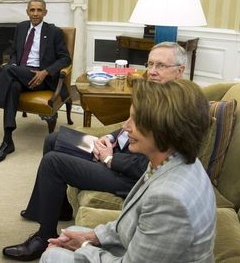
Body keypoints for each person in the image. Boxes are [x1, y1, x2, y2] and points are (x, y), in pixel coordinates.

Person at [2, 42, 187, 261]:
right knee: (54, 139)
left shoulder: (179, 107)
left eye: (161, 65)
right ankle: (59, 209)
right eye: (151, 64)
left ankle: (44, 238)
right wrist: (109, 137)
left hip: (127, 176)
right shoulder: (153, 91)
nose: (153, 71)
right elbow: (130, 124)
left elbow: (149, 165)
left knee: (54, 162)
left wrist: (109, 158)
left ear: (180, 70)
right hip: (116, 149)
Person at [41, 79, 216, 263]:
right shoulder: (175, 161)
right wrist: (91, 237)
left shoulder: (170, 200)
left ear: (162, 129)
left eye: (134, 120)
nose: (125, 126)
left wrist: (84, 248)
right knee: (74, 233)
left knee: (52, 256)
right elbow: (130, 223)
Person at [0, 0, 71, 164]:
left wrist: (45, 72)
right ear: (27, 12)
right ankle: (7, 141)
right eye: (32, 10)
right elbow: (14, 54)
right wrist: (12, 64)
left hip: (41, 79)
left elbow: (65, 59)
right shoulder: (21, 27)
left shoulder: (54, 32)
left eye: (39, 10)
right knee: (12, 84)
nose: (35, 13)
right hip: (21, 74)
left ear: (45, 12)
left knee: (8, 70)